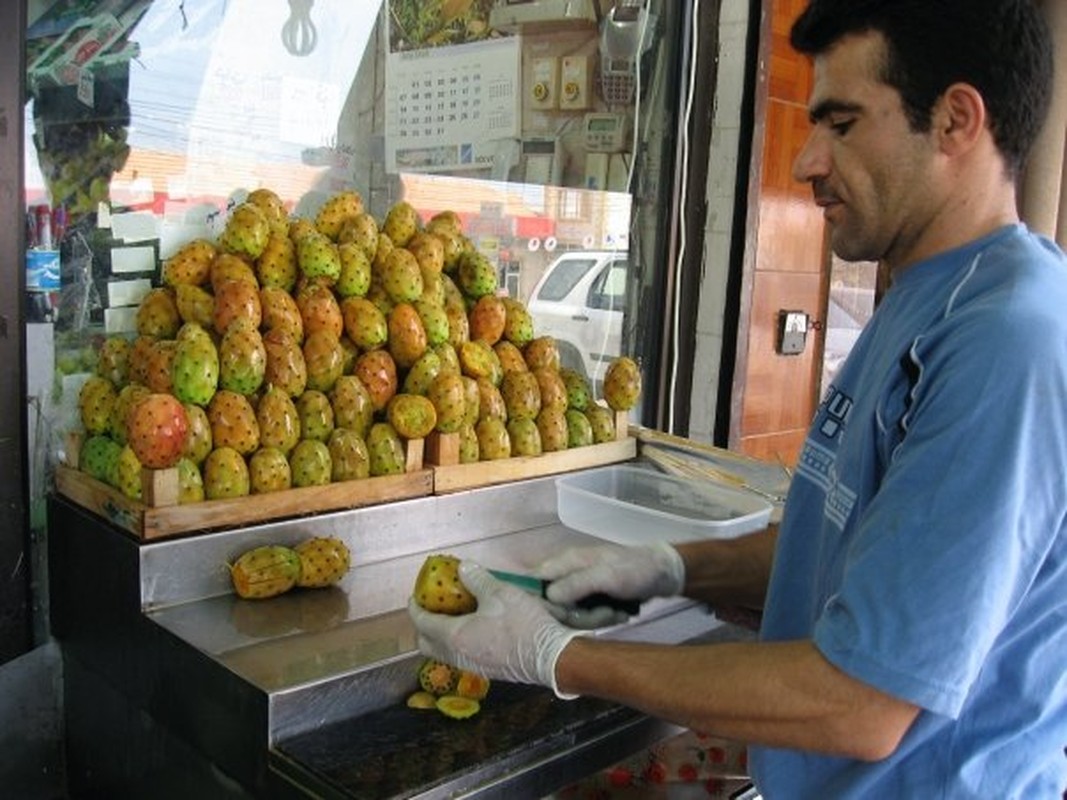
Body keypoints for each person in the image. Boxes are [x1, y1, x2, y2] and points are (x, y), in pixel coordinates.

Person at [408, 0, 1067, 796]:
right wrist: (667, 569)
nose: (806, 162)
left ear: (956, 120)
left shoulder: (1005, 343)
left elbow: (859, 703)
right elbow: (837, 547)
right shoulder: (926, 299)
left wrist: (559, 658)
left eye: (843, 123)